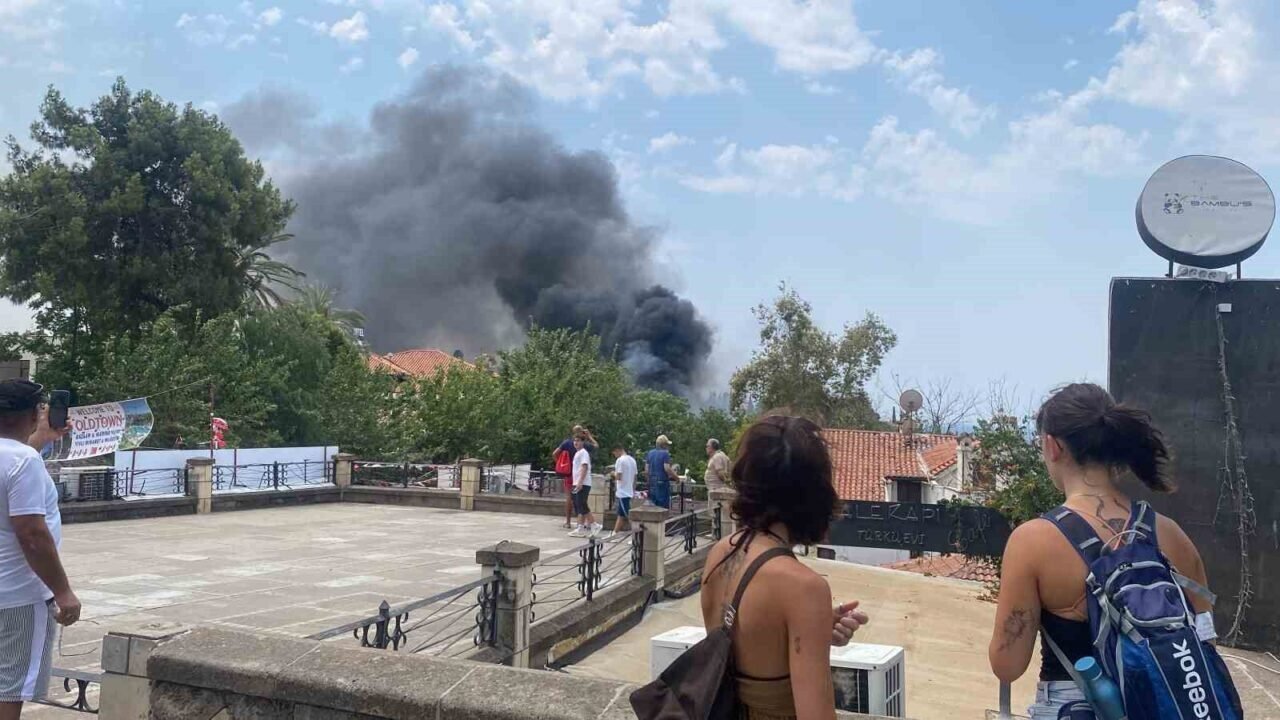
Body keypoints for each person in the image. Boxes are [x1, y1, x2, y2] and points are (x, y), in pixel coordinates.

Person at [988, 383, 1214, 719]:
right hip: (1168, 704)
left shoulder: (1033, 541)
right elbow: (1205, 639)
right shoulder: (1171, 535)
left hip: (1073, 706)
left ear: (1052, 446)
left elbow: (1008, 665)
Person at [700, 413, 869, 720]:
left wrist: (814, 627)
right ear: (814, 493)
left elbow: (742, 650)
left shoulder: (720, 553)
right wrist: (809, 617)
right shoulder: (804, 588)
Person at [0, 380, 79, 719]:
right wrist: (63, 592)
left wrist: (41, 439)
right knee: (9, 687)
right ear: (34, 414)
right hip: (17, 596)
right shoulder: (24, 461)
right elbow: (32, 534)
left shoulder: (18, 458)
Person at [554, 425, 597, 529]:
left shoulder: (567, 443)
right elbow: (596, 446)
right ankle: (581, 523)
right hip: (580, 475)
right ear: (582, 432)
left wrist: (560, 465)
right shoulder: (584, 444)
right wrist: (589, 436)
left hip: (569, 474)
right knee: (581, 500)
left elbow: (555, 453)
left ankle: (568, 522)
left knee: (569, 498)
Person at [569, 437, 602, 538]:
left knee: (582, 504)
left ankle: (594, 524)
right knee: (578, 505)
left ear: (583, 442)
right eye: (575, 441)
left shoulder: (584, 453)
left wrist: (580, 482)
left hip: (583, 482)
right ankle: (580, 527)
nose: (576, 442)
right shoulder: (577, 453)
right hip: (577, 482)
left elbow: (585, 467)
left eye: (578, 441)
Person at [643, 435, 678, 509]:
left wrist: (648, 480)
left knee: (652, 504)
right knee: (662, 506)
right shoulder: (665, 453)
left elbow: (646, 469)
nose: (668, 446)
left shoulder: (650, 453)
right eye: (667, 444)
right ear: (664, 445)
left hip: (652, 481)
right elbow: (667, 468)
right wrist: (676, 478)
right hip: (662, 481)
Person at [609, 443, 637, 537]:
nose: (615, 455)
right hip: (629, 491)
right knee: (621, 514)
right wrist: (633, 490)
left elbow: (619, 476)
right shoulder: (632, 460)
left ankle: (636, 535)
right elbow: (635, 477)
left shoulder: (620, 460)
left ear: (617, 450)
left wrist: (612, 474)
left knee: (628, 515)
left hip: (622, 492)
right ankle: (614, 533)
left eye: (614, 453)